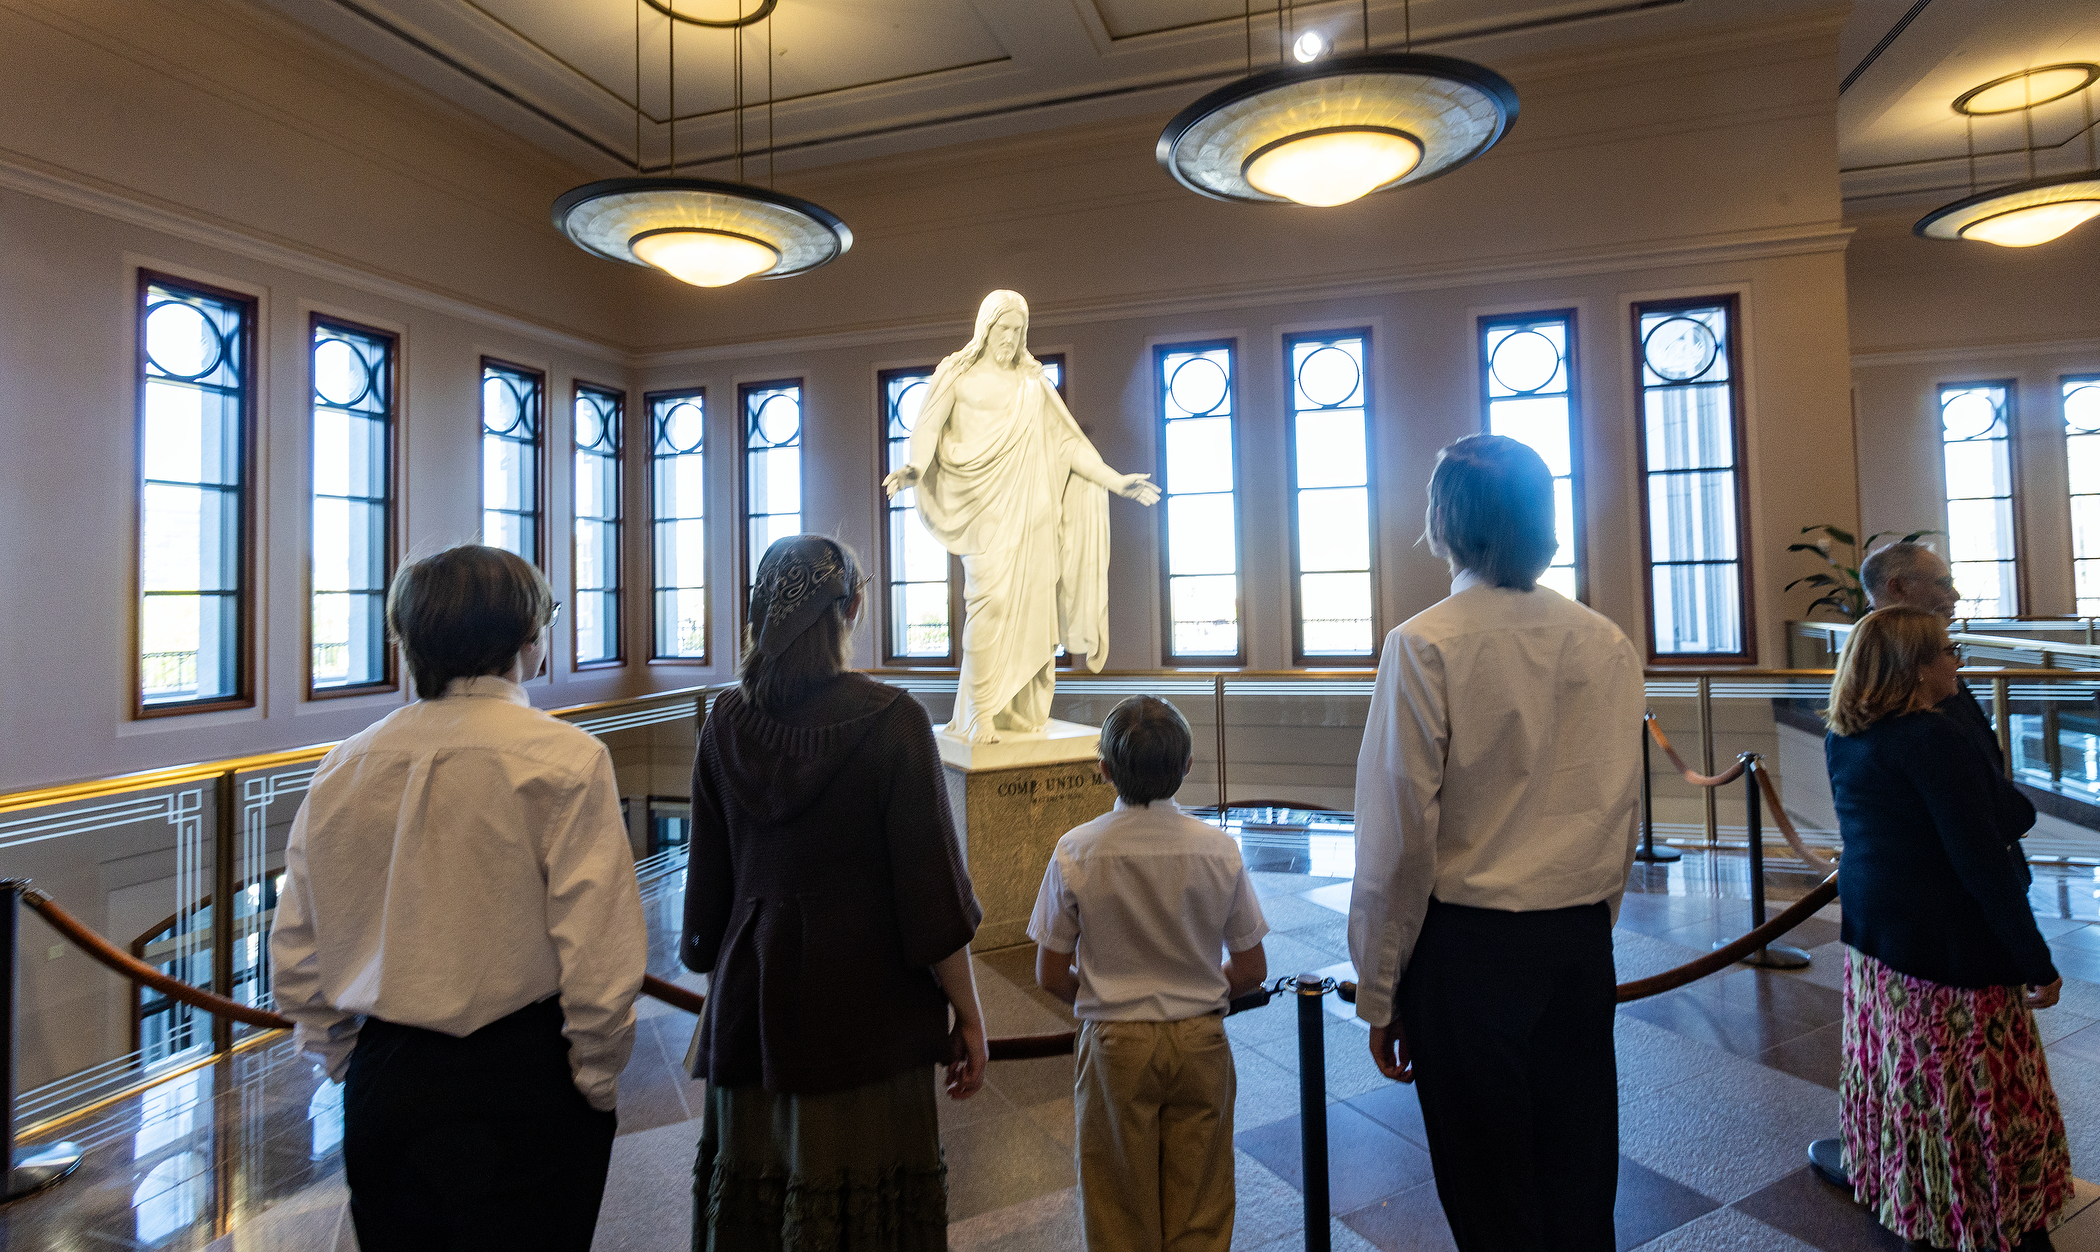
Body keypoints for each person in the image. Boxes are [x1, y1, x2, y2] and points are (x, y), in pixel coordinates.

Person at [270, 544, 647, 1250]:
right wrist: (594, 1078)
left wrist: (351, 1062)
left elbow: (296, 955)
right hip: (524, 1079)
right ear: (525, 639)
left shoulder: (343, 766)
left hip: (389, 1080)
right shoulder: (565, 759)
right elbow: (599, 955)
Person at [1347, 434, 1645, 1251]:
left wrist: (1380, 988)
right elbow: (1619, 812)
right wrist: (1587, 922)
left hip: (1468, 953)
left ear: (1443, 522)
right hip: (1578, 941)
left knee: (1490, 1198)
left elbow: (1398, 840)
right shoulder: (1606, 641)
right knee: (1580, 1182)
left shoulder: (1425, 644)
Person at [682, 535, 987, 1251]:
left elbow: (707, 903)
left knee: (756, 1206)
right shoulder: (894, 720)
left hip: (751, 1017)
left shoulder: (724, 722)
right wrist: (969, 1016)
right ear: (849, 609)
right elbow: (932, 897)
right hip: (869, 1014)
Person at [1824, 606, 2068, 1252]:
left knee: (1907, 1083)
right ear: (1915, 667)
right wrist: (2035, 960)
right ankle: (1985, 1214)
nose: (1955, 662)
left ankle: (1916, 1201)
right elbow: (1982, 861)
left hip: (1879, 941)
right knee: (1971, 1091)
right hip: (1948, 954)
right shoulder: (1932, 741)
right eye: (1945, 652)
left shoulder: (1846, 736)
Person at [1028, 695, 1269, 1252]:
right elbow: (1253, 967)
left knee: (1118, 1208)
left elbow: (1049, 972)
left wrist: (1105, 996)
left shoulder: (1076, 851)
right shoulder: (1219, 849)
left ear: (1104, 769)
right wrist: (1200, 989)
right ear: (1187, 767)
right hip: (1201, 1041)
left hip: (1116, 1044)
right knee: (1202, 1206)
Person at [881, 290, 1160, 744]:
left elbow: (1069, 445)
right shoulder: (957, 375)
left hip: (1033, 518)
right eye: (1002, 328)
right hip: (984, 516)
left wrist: (1114, 480)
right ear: (985, 328)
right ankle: (978, 714)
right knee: (987, 607)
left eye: (1017, 330)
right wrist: (916, 467)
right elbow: (928, 427)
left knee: (1034, 614)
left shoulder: (1034, 386)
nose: (1009, 338)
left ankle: (1021, 714)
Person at [1860, 540, 2001, 770]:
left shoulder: (1928, 653)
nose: (1955, 595)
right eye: (1943, 584)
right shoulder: (1877, 668)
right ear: (1897, 588)